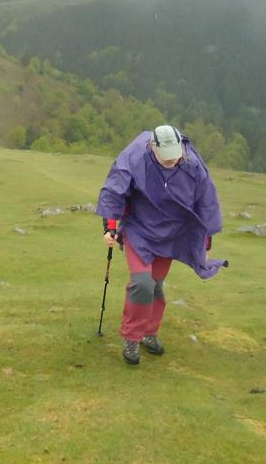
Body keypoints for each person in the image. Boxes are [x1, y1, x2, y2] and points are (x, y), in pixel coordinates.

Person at [96, 124, 225, 365]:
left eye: (175, 158)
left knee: (155, 285)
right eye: (166, 159)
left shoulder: (192, 163)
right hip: (139, 231)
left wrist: (206, 236)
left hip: (170, 234)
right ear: (152, 147)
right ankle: (132, 337)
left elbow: (206, 200)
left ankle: (149, 333)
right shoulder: (134, 156)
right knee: (142, 283)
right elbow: (115, 191)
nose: (171, 162)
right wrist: (110, 227)